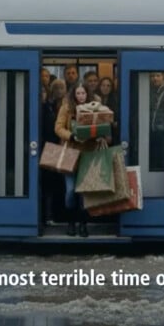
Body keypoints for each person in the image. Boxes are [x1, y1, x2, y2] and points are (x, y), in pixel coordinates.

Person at [54, 82, 107, 238]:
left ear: (87, 94)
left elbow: (103, 125)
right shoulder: (66, 108)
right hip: (70, 154)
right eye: (78, 93)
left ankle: (83, 225)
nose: (81, 96)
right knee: (70, 191)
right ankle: (71, 222)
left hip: (88, 154)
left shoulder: (95, 107)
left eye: (83, 93)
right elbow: (58, 128)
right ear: (73, 95)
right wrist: (71, 136)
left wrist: (98, 135)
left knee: (84, 193)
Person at [41, 79, 67, 227]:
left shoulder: (61, 106)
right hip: (47, 148)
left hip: (60, 148)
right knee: (48, 185)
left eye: (61, 88)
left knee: (59, 184)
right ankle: (48, 215)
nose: (59, 90)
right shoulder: (45, 107)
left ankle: (58, 214)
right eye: (56, 88)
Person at [149, 72, 164, 170]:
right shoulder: (150, 91)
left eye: (158, 76)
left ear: (163, 77)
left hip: (162, 131)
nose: (155, 78)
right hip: (152, 130)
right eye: (152, 76)